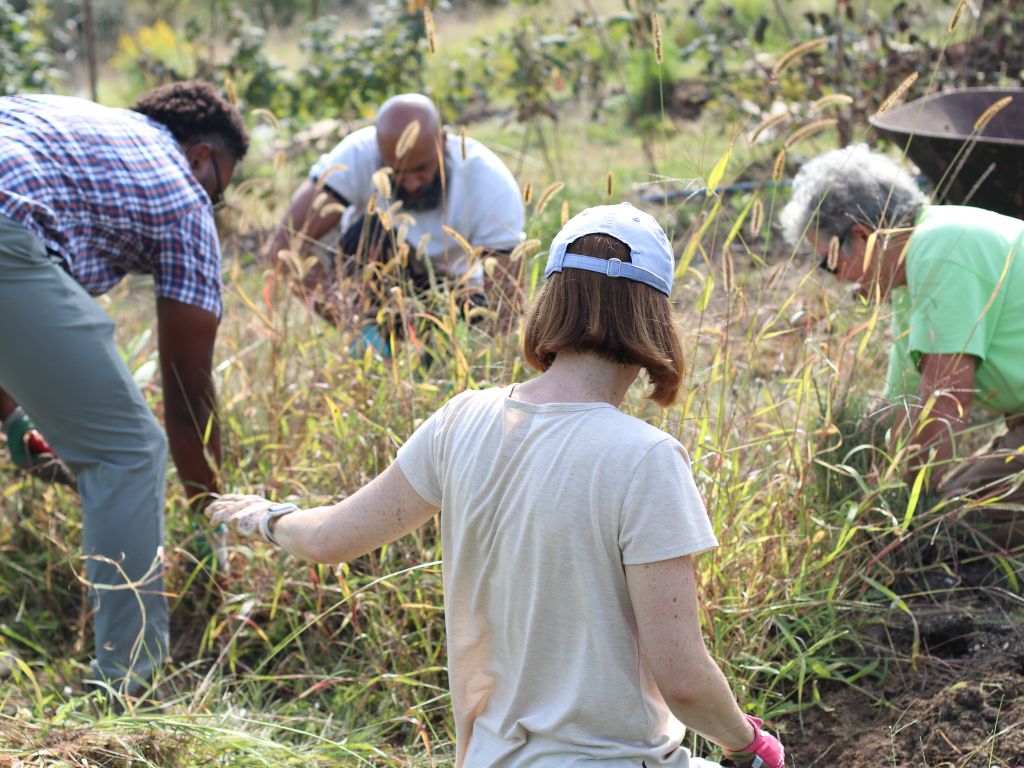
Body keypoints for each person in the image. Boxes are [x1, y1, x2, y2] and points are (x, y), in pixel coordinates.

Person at [211, 203, 785, 768]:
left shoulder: (462, 419)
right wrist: (748, 744)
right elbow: (682, 680)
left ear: (551, 298)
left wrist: (265, 516)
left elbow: (327, 540)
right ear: (655, 315)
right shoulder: (647, 459)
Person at [0, 80, 249, 694]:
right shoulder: (184, 192)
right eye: (221, 188)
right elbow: (188, 402)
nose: (213, 205)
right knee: (128, 452)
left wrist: (12, 422)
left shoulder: (71, 124)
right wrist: (207, 529)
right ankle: (126, 687)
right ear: (200, 157)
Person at [781, 143, 1024, 550]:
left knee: (951, 525)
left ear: (860, 236)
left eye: (829, 263)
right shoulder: (913, 270)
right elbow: (898, 405)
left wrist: (907, 514)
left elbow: (944, 404)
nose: (834, 278)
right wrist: (831, 460)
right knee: (950, 513)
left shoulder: (942, 247)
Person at [264, 93, 525, 350]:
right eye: (398, 171)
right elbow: (283, 248)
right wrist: (354, 325)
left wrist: (484, 355)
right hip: (377, 291)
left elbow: (506, 299)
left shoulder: (490, 182)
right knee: (367, 235)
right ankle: (381, 346)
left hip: (458, 297)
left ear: (443, 141)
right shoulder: (355, 155)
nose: (411, 183)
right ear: (379, 151)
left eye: (421, 168)